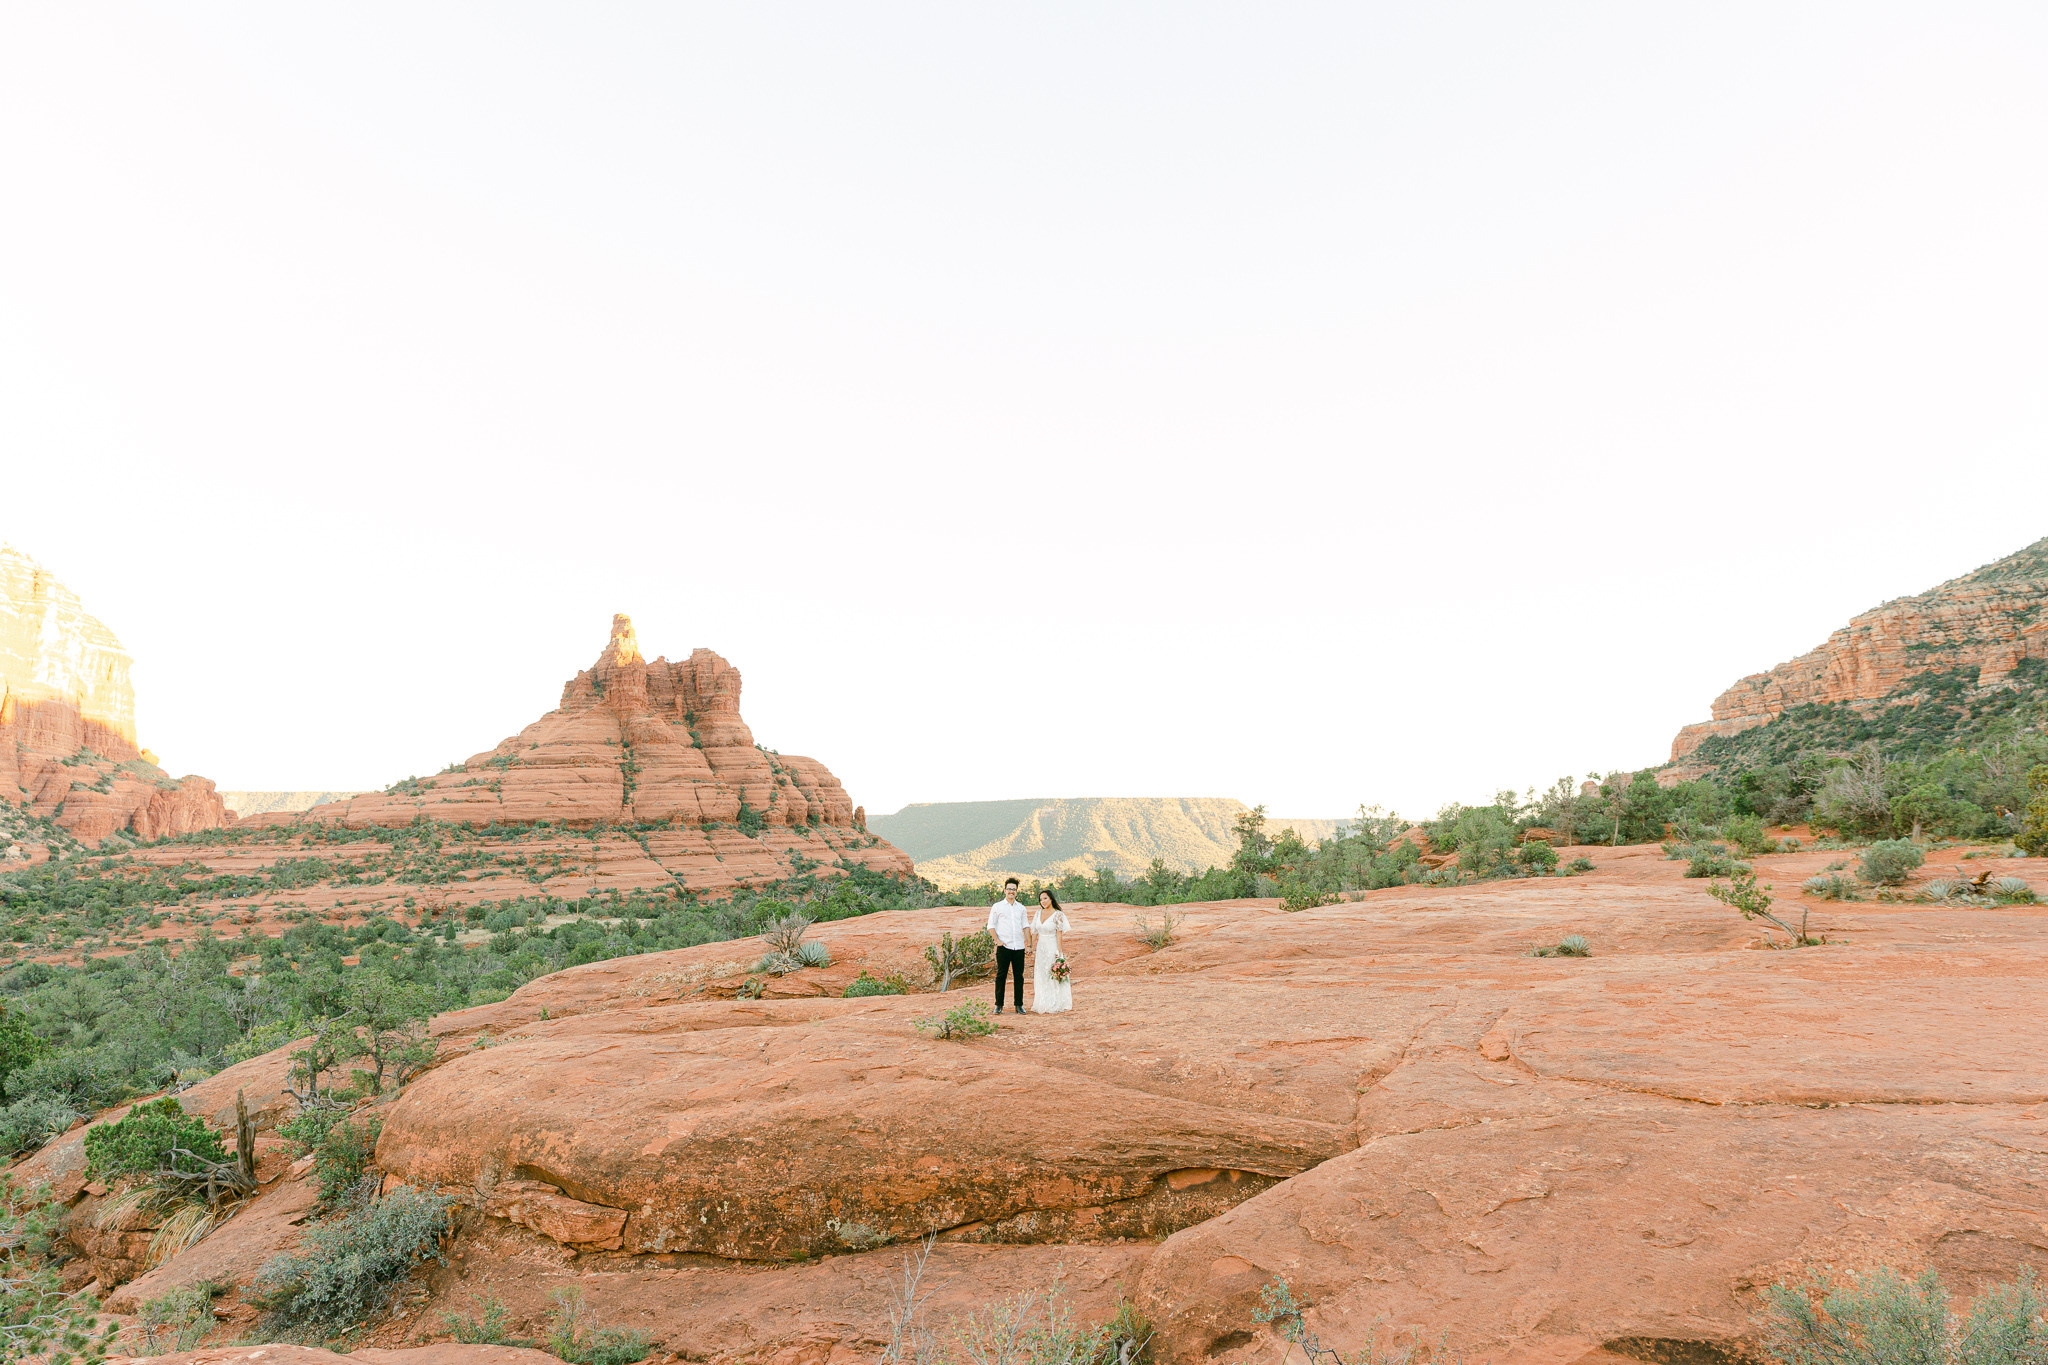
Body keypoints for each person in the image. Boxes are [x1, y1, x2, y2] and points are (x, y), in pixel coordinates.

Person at [986, 876, 1030, 1014]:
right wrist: (997, 941)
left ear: (1017, 891)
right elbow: (991, 926)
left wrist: (1028, 945)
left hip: (1019, 947)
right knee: (1001, 976)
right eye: (1009, 889)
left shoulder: (1021, 908)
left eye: (1014, 889)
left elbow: (1026, 926)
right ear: (1005, 890)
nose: (1011, 891)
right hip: (1004, 947)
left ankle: (1019, 1005)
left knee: (1019, 977)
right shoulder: (997, 907)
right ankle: (999, 1005)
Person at [1030, 888, 1072, 1013]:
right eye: (1041, 899)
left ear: (1051, 899)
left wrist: (1059, 952)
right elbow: (1034, 932)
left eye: (1045, 898)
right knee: (1041, 974)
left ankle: (1056, 1002)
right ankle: (1042, 1002)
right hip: (1041, 948)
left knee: (1053, 974)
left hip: (1052, 946)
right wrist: (1031, 947)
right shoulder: (1038, 913)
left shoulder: (1058, 914)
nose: (1042, 901)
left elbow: (1059, 934)